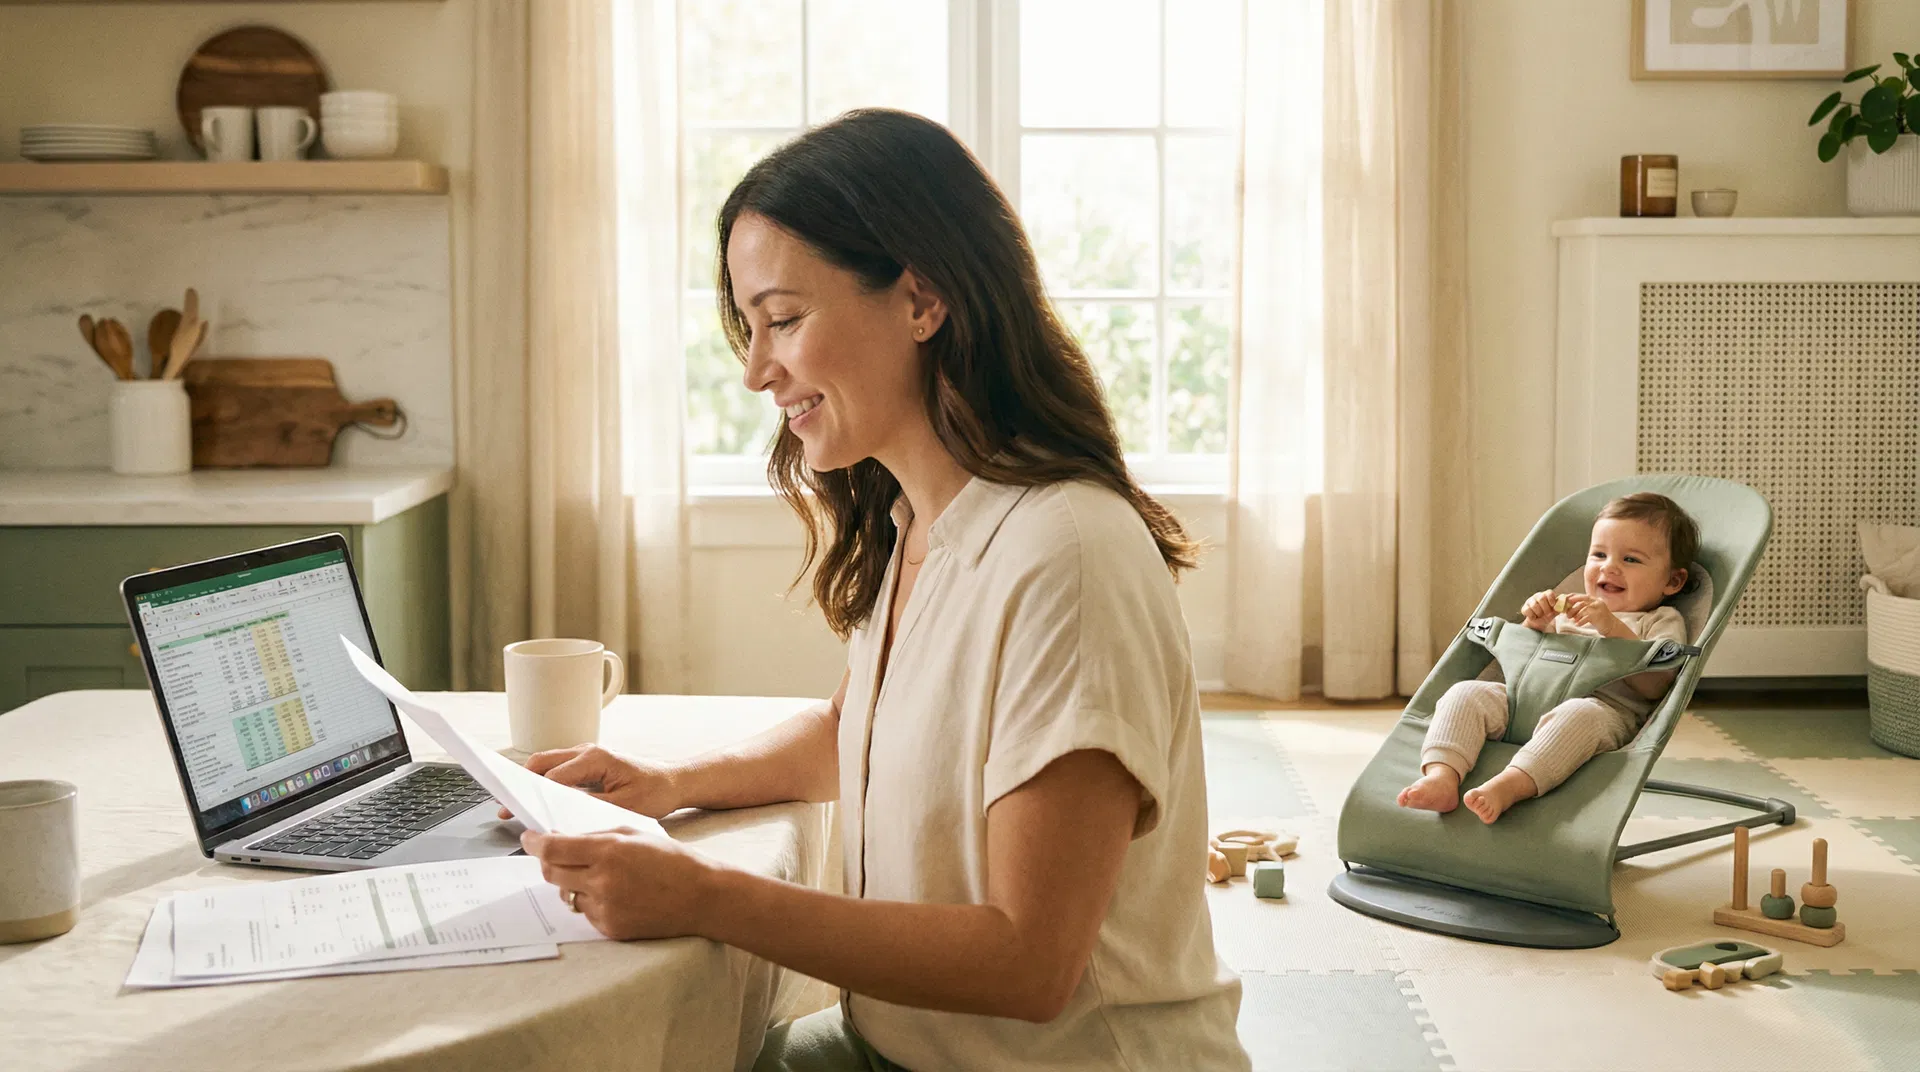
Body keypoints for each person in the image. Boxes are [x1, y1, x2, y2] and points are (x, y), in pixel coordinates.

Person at [513, 109, 1251, 1072]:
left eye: (783, 319)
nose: (754, 371)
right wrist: (669, 786)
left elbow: (1031, 963)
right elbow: (859, 728)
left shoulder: (1066, 556)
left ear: (922, 300)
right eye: (750, 326)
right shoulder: (923, 523)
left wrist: (703, 896)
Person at [1397, 493, 1699, 824]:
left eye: (1631, 560)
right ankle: (1442, 776)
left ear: (1673, 581)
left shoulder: (1660, 621)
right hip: (1523, 700)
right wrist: (1534, 624)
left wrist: (1612, 629)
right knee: (1464, 693)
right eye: (1598, 554)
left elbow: (1658, 685)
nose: (1608, 567)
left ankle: (1511, 785)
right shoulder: (1568, 607)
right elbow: (1521, 661)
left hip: (1603, 712)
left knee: (1578, 716)